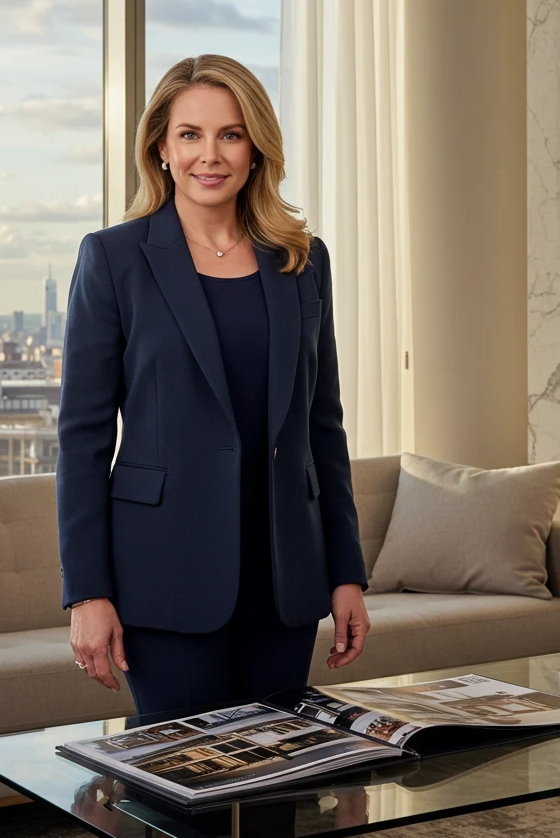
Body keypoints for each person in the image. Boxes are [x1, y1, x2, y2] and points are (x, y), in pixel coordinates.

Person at [55, 54, 371, 717]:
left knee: (278, 791)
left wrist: (345, 572)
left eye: (230, 133)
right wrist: (87, 593)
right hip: (163, 575)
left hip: (284, 578)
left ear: (256, 147)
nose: (211, 154)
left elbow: (323, 427)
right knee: (182, 788)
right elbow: (82, 439)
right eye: (191, 134)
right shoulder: (113, 259)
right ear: (162, 148)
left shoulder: (302, 262)